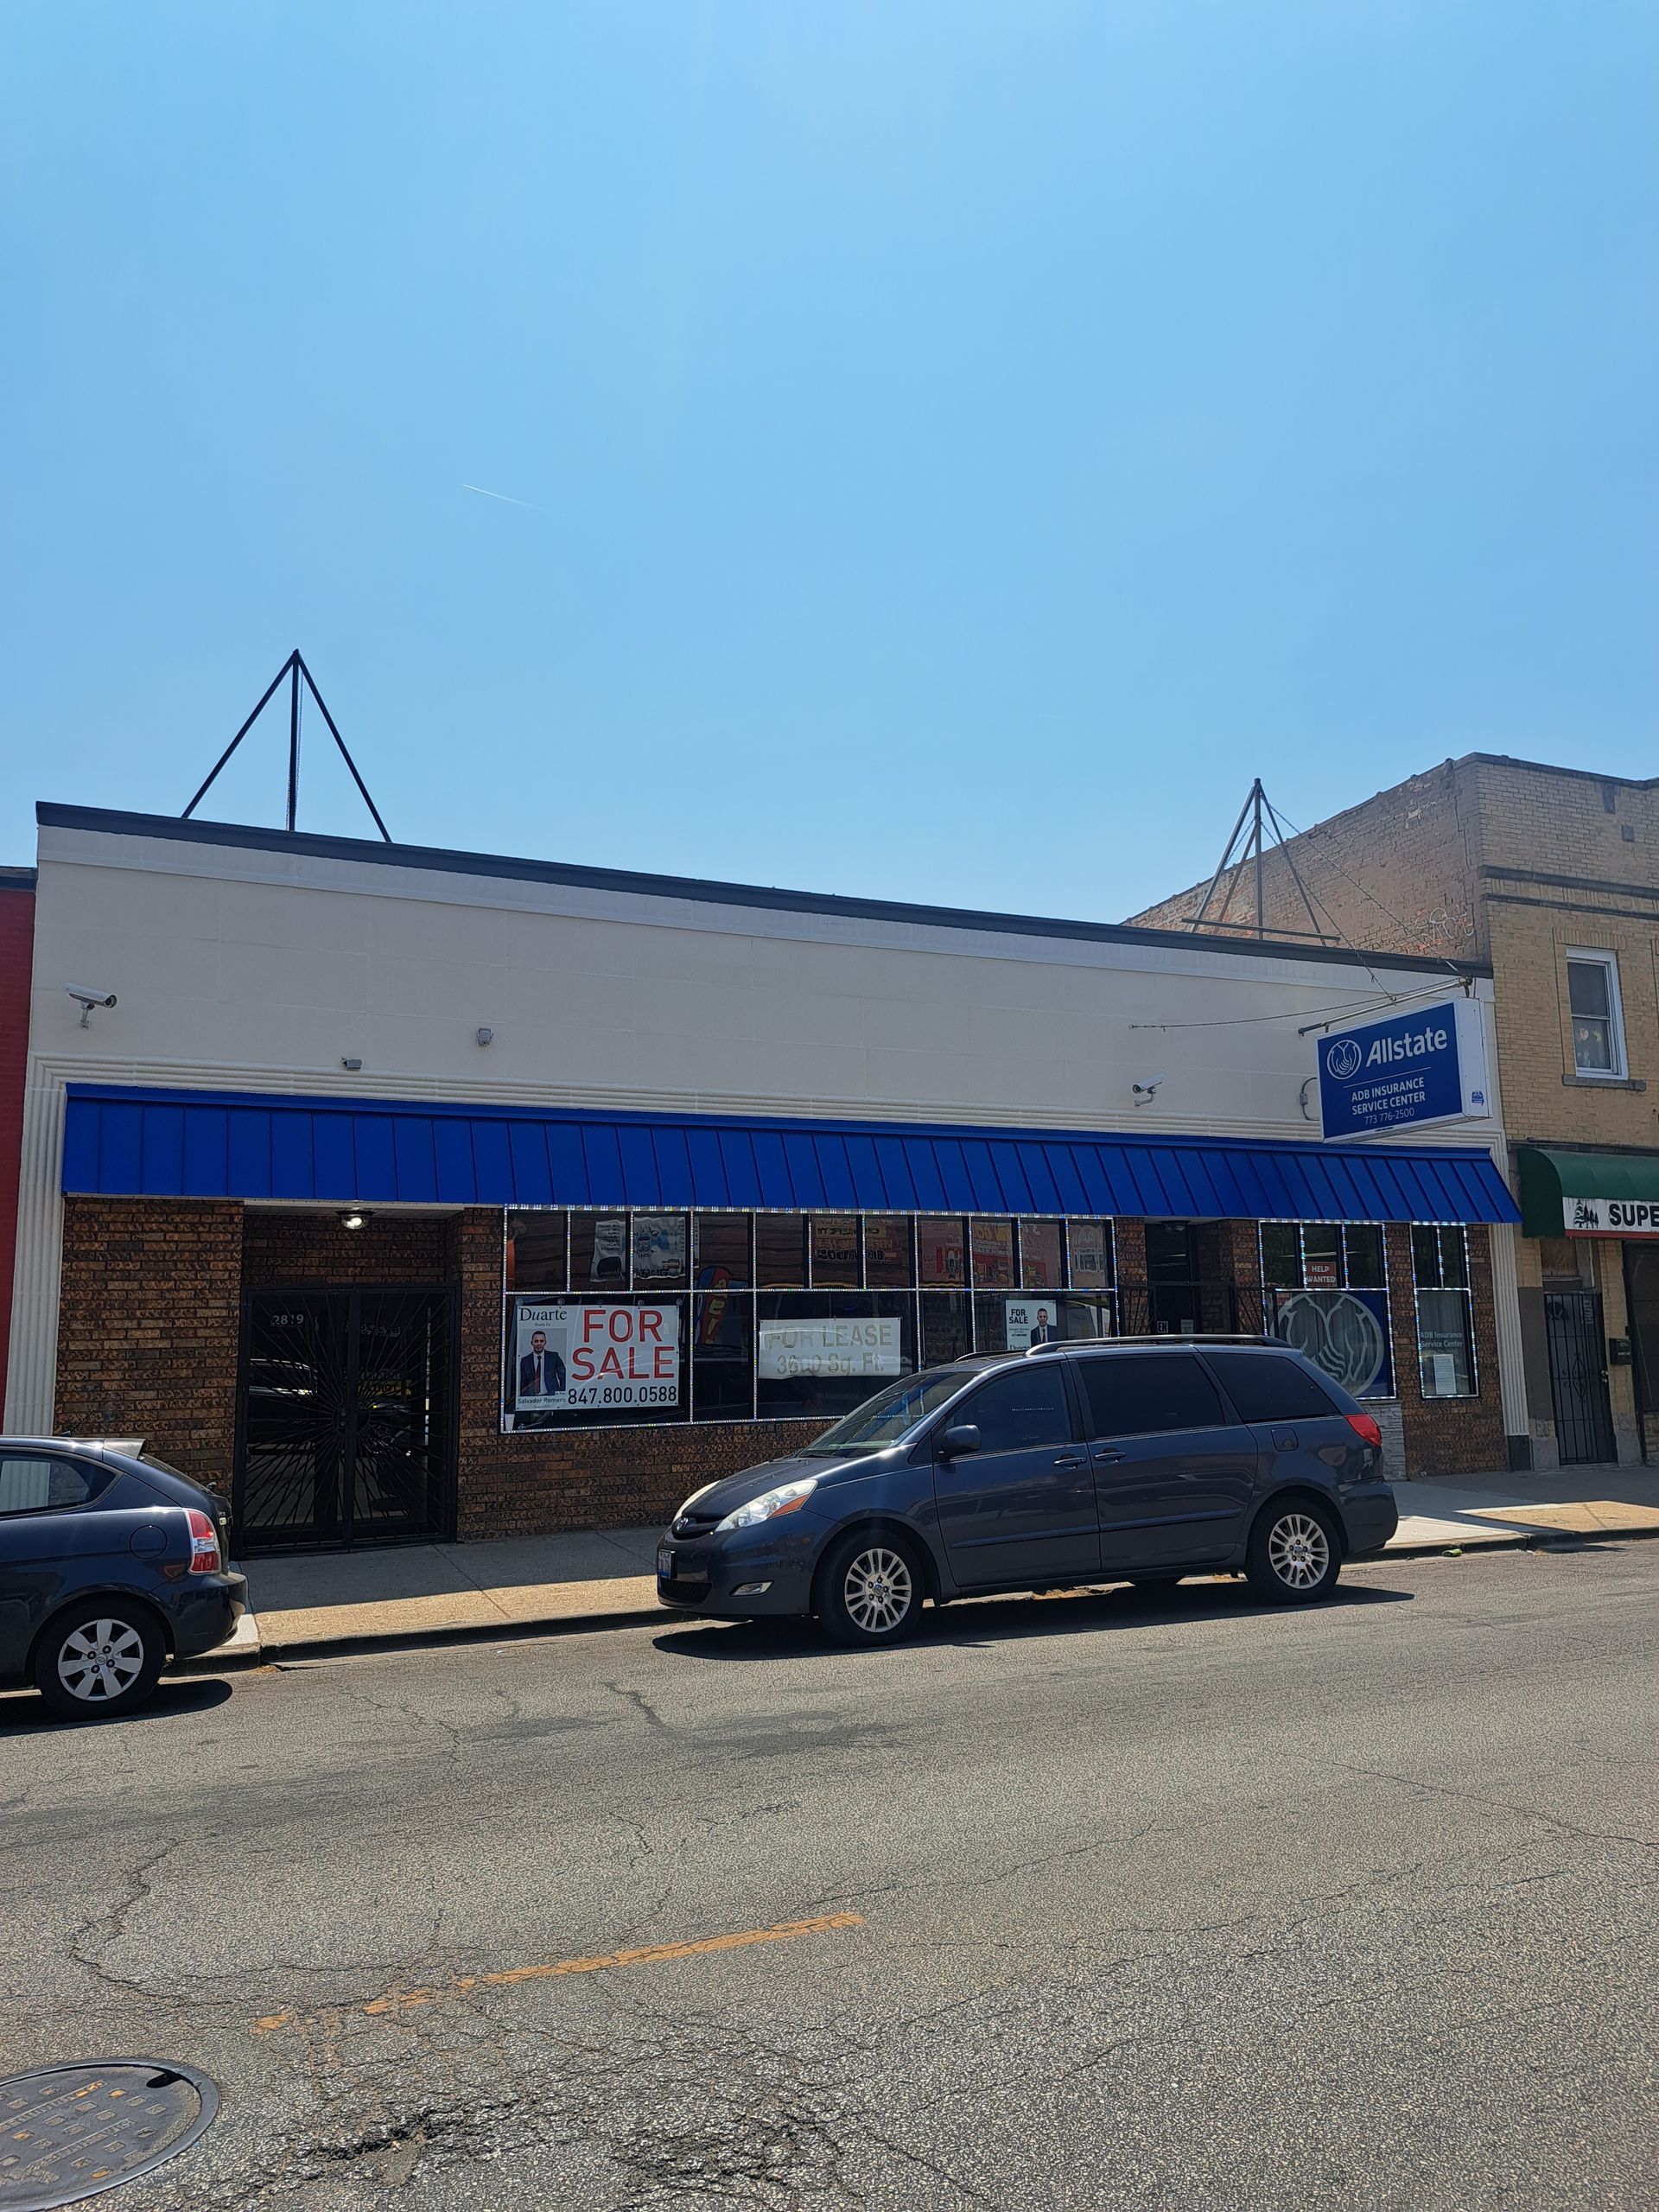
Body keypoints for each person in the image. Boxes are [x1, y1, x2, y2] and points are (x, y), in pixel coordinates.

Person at [518, 1328, 565, 1398]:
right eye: (536, 1341)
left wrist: (562, 1393)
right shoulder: (525, 1361)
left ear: (545, 1342)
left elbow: (563, 1376)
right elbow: (523, 1383)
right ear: (532, 1343)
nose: (539, 1344)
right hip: (531, 1399)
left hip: (551, 1397)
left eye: (541, 1341)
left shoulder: (553, 1357)